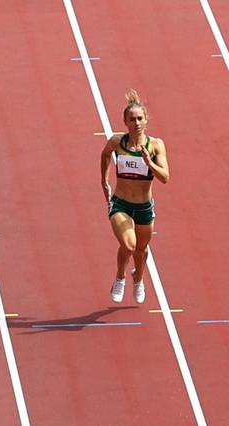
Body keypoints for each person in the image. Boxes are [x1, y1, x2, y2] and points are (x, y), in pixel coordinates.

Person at [100, 89, 170, 303]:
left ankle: (138, 277)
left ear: (146, 120)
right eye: (132, 119)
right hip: (120, 204)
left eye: (140, 118)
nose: (137, 122)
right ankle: (120, 277)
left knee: (141, 249)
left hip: (144, 208)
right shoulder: (117, 143)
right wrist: (104, 181)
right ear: (125, 121)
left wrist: (150, 164)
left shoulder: (155, 145)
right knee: (129, 245)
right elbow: (104, 155)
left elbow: (165, 177)